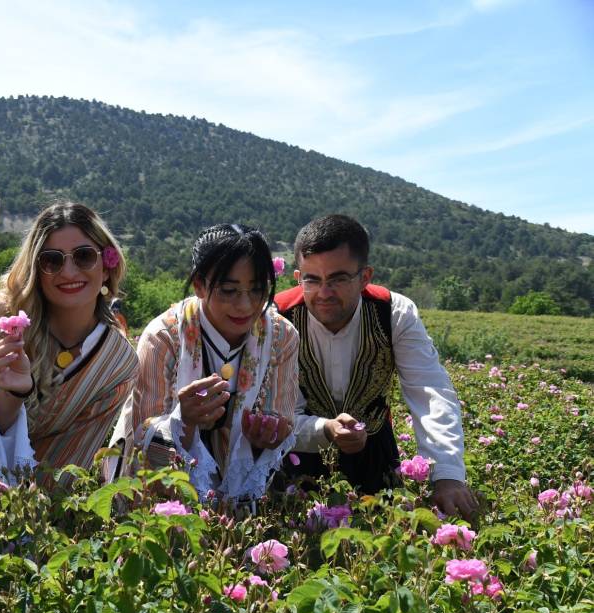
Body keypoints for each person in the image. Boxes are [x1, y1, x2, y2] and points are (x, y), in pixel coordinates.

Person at [275, 214, 478, 519]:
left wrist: (446, 474)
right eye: (312, 279)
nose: (324, 293)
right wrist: (326, 430)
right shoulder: (278, 319)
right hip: (297, 453)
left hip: (375, 451)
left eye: (339, 278)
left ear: (365, 276)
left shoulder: (393, 313)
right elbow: (279, 411)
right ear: (297, 277)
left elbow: (430, 390)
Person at [113, 224, 299, 506]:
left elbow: (283, 420)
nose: (245, 305)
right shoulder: (165, 337)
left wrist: (270, 433)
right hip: (163, 494)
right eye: (228, 290)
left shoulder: (280, 337)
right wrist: (183, 421)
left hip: (241, 496)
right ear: (199, 284)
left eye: (257, 290)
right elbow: (144, 436)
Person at [0, 203, 137, 484]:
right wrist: (11, 396)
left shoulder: (118, 361)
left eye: (83, 257)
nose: (68, 272)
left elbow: (71, 462)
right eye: (52, 260)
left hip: (40, 511)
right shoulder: (2, 314)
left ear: (106, 266)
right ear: (36, 270)